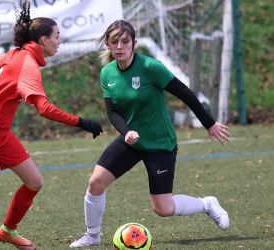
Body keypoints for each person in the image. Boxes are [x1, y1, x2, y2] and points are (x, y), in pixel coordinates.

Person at [0, 2, 103, 250]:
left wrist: (1, 92)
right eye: (57, 37)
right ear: (43, 40)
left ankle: (7, 231)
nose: (59, 41)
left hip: (0, 134)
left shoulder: (17, 55)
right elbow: (44, 108)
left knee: (34, 182)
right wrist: (81, 122)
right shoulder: (29, 66)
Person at [69, 20, 230, 248]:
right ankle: (92, 236)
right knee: (96, 182)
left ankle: (207, 204)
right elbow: (112, 111)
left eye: (125, 41)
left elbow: (185, 94)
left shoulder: (150, 67)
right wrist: (126, 133)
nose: (119, 46)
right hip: (131, 140)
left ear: (134, 43)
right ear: (108, 44)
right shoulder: (107, 73)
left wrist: (209, 123)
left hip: (159, 142)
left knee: (163, 208)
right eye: (114, 41)